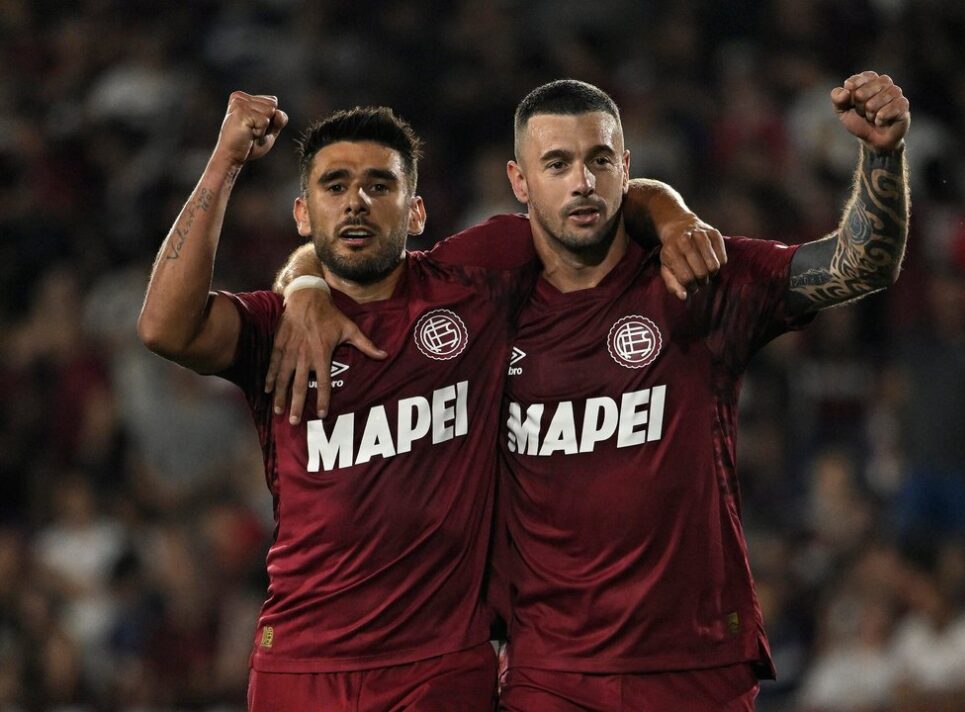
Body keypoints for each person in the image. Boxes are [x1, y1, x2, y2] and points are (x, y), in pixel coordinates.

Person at [275, 72, 910, 711]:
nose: (582, 182)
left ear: (624, 170)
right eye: (556, 164)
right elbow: (365, 259)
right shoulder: (482, 295)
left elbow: (860, 265)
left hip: (693, 665)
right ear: (519, 183)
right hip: (549, 676)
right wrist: (303, 285)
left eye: (599, 160)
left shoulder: (692, 278)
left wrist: (882, 154)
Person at [136, 93, 718, 711]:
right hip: (303, 660)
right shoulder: (277, 327)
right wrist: (228, 161)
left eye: (379, 185)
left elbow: (595, 203)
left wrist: (675, 216)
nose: (357, 201)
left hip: (441, 666)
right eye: (336, 186)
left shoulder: (476, 279)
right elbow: (164, 328)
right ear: (303, 214)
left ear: (415, 212)